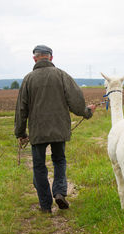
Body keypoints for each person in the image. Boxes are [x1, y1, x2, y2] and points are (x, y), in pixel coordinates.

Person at [14, 45, 96, 213]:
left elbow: (21, 109)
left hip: (37, 131)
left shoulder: (28, 79)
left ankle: (45, 205)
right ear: (51, 58)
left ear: (35, 58)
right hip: (59, 129)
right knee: (59, 161)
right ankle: (59, 192)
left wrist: (21, 133)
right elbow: (76, 100)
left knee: (39, 166)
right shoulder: (61, 75)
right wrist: (87, 112)